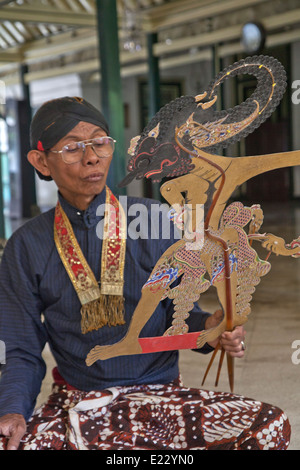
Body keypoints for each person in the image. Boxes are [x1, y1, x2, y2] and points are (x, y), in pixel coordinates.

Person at [0, 97, 291, 451]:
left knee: (269, 425)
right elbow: (21, 350)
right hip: (78, 403)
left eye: (99, 142)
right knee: (11, 443)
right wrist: (12, 410)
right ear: (40, 161)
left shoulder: (156, 221)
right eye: (73, 147)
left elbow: (178, 314)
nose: (91, 156)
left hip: (160, 399)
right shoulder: (26, 245)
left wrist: (212, 329)